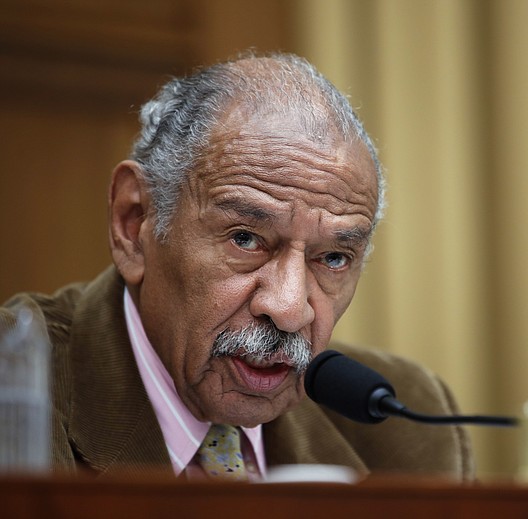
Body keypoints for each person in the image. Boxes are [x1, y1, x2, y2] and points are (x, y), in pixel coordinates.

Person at [0, 53, 473, 481]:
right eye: (245, 239)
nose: (289, 310)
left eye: (332, 257)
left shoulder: (406, 425)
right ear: (134, 222)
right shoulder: (15, 389)